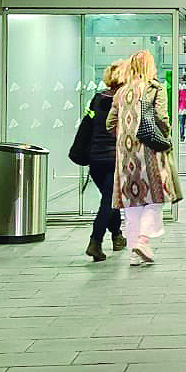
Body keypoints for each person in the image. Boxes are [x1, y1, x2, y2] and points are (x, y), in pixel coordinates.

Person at [107, 49, 183, 264]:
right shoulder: (155, 89)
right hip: (149, 150)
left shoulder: (121, 92)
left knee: (132, 201)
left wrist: (125, 134)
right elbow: (161, 118)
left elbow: (110, 123)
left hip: (125, 154)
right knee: (154, 197)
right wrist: (165, 138)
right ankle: (142, 241)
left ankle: (134, 254)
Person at [84, 60, 128, 261]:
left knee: (110, 199)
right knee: (109, 201)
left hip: (95, 159)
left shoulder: (96, 98)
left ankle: (117, 236)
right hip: (114, 158)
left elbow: (89, 125)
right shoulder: (124, 100)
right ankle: (95, 241)